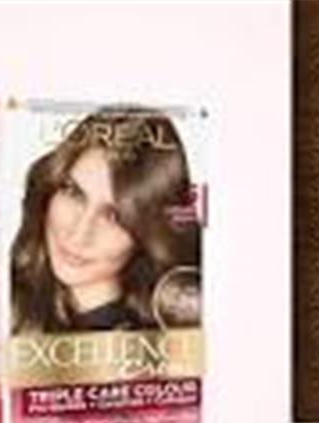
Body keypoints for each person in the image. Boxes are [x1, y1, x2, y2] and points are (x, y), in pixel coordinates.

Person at [11, 106, 201, 333]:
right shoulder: (5, 293)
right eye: (74, 192)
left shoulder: (159, 342)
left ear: (149, 232)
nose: (79, 234)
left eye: (114, 216)